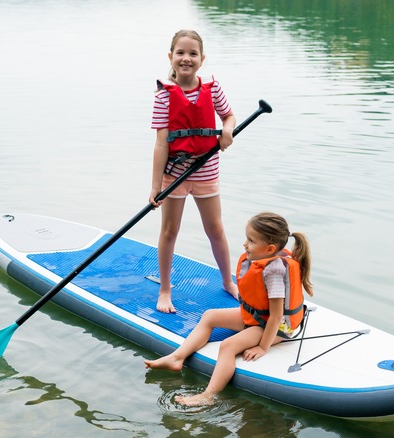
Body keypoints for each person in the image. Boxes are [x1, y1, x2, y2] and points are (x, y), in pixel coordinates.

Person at [144, 212, 314, 406]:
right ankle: (177, 357)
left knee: (228, 346)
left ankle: (208, 396)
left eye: (250, 240)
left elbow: (275, 317)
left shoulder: (274, 271)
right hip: (258, 318)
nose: (244, 244)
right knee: (210, 316)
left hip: (277, 327)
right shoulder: (265, 259)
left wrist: (262, 347)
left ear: (270, 249)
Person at [149, 29, 238, 313]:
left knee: (215, 228)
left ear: (202, 59)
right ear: (171, 57)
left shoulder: (212, 89)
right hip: (174, 173)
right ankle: (165, 290)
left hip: (206, 169)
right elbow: (161, 143)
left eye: (192, 54)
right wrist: (155, 186)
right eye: (180, 53)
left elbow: (229, 116)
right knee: (169, 231)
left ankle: (228, 282)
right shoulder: (163, 96)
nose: (186, 59)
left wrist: (226, 131)